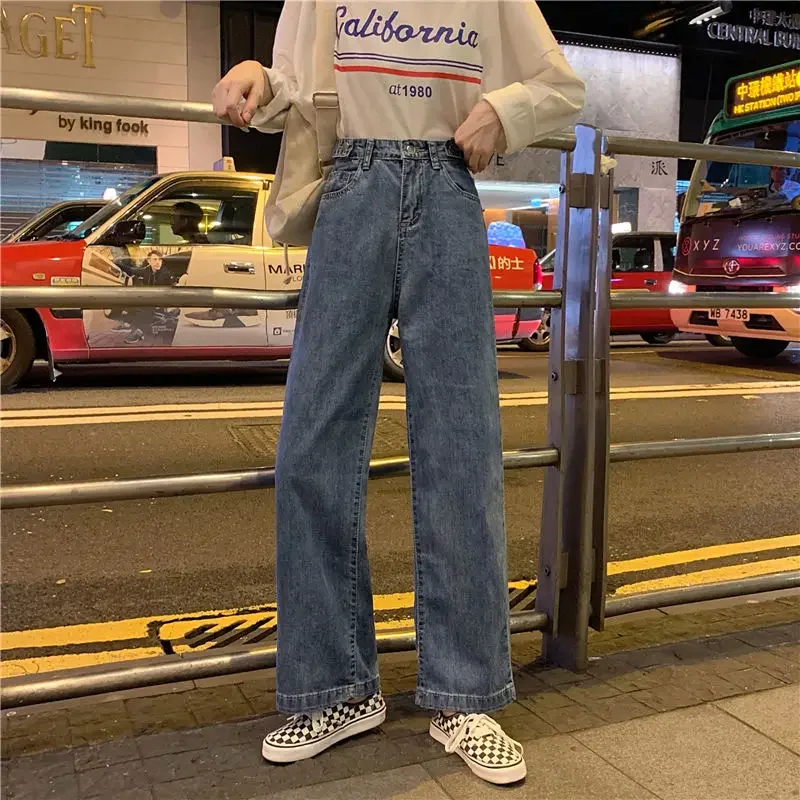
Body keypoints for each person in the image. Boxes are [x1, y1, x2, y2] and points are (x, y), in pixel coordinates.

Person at [213, 0, 584, 785]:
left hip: (448, 186)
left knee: (461, 442)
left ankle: (465, 691)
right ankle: (337, 686)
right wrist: (257, 79)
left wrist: (502, 110)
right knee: (313, 440)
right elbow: (296, 85)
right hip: (350, 183)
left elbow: (560, 84)